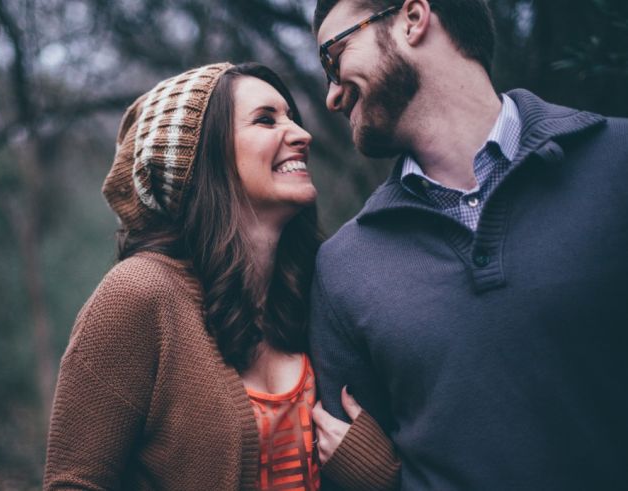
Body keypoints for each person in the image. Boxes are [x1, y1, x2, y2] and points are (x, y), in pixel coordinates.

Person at [309, 0, 628, 489]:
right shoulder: (343, 266)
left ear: (413, 19)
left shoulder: (617, 164)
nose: (331, 94)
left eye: (334, 56)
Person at [42, 62, 400, 490]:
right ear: (201, 158)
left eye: (292, 118)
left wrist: (378, 476)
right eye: (266, 120)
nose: (302, 135)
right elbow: (74, 482)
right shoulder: (138, 296)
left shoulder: (317, 292)